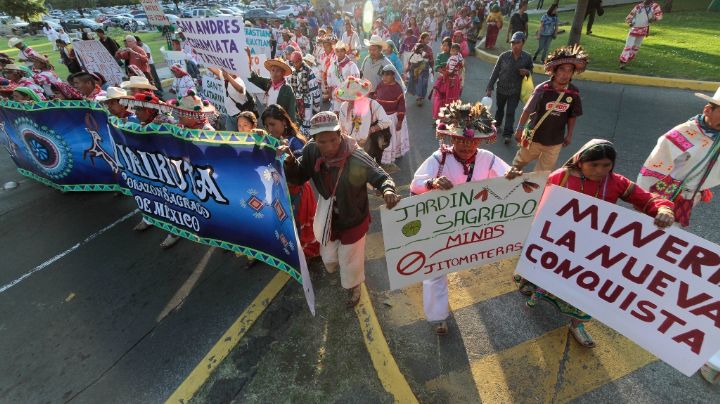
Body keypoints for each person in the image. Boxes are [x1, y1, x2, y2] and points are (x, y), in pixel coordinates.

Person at [510, 139, 675, 347]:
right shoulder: (560, 178)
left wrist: (664, 210)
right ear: (580, 162)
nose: (600, 171)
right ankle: (533, 284)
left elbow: (647, 199)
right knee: (547, 274)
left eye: (606, 165)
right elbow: (534, 202)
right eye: (594, 165)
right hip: (559, 243)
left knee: (589, 291)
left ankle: (578, 324)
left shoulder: (616, 182)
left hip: (593, 251)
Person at [282, 111, 400, 307]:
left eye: (333, 140)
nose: (328, 147)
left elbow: (380, 175)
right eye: (322, 141)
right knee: (328, 257)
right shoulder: (311, 151)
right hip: (327, 211)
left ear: (341, 134)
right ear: (314, 139)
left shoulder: (356, 155)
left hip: (354, 215)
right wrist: (290, 162)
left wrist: (388, 190)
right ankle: (345, 272)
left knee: (349, 259)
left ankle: (354, 287)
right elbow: (299, 176)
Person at [411, 101, 509, 335]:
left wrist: (515, 176)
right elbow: (415, 184)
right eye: (461, 139)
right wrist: (432, 183)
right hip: (440, 225)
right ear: (452, 139)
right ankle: (438, 316)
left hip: (472, 225)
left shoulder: (487, 158)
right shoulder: (439, 158)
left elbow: (509, 179)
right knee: (436, 267)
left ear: (480, 140)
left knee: (462, 260)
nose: (466, 145)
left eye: (472, 140)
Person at [637, 87, 720, 227]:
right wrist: (643, 198)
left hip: (689, 199)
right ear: (707, 110)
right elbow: (652, 167)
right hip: (661, 197)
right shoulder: (683, 133)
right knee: (643, 231)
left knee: (666, 238)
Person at [511, 46, 587, 173]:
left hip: (555, 142)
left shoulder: (574, 92)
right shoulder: (542, 89)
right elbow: (527, 110)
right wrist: (519, 129)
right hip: (532, 136)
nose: (565, 74)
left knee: (542, 174)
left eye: (569, 71)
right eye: (562, 70)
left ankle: (534, 192)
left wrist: (569, 134)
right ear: (555, 71)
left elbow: (572, 115)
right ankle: (507, 184)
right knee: (518, 163)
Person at [262, 104, 320, 260]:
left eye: (273, 124)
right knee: (290, 226)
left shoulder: (296, 143)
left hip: (298, 193)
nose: (270, 129)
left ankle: (309, 255)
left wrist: (288, 157)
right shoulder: (271, 142)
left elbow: (301, 170)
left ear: (284, 122)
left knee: (302, 226)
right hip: (282, 192)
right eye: (267, 125)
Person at [486, 32, 533, 144]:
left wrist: (526, 72)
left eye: (517, 43)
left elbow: (531, 71)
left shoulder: (527, 58)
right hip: (501, 88)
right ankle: (497, 123)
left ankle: (508, 134)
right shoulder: (504, 56)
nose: (514, 45)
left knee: (511, 112)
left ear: (523, 43)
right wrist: (489, 87)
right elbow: (496, 72)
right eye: (513, 43)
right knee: (500, 108)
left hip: (515, 90)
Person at [337, 76, 392, 165]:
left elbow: (386, 121)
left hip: (366, 145)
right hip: (349, 146)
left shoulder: (372, 104)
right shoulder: (344, 106)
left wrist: (371, 129)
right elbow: (341, 125)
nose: (350, 101)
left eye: (353, 98)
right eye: (348, 97)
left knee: (364, 169)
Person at [373, 65, 408, 169]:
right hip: (380, 117)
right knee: (381, 137)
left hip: (392, 118)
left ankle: (392, 156)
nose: (384, 77)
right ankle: (382, 156)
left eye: (387, 75)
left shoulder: (398, 89)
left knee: (391, 137)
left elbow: (401, 106)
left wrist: (400, 121)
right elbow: (375, 98)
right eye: (383, 75)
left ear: (393, 75)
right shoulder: (380, 85)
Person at [247, 54, 297, 123]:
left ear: (283, 73)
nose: (274, 73)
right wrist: (249, 59)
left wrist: (291, 127)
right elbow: (253, 78)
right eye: (273, 70)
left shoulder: (287, 89)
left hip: (281, 123)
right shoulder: (268, 83)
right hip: (268, 121)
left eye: (278, 71)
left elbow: (292, 111)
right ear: (270, 72)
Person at [207, 67, 256, 132]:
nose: (223, 71)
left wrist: (228, 76)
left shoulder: (239, 80)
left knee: (243, 138)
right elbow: (210, 67)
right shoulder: (224, 77)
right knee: (231, 138)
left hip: (241, 117)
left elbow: (240, 89)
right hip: (230, 116)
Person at [619, 0, 663, 69]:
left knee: (636, 47)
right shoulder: (638, 6)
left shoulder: (655, 6)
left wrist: (654, 18)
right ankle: (623, 61)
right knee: (628, 45)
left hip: (643, 30)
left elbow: (659, 15)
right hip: (634, 29)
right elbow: (629, 17)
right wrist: (629, 22)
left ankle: (628, 58)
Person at [287, 51, 322, 136]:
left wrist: (316, 104)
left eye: (296, 62)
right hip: (297, 100)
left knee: (307, 120)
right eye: (293, 62)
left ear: (300, 61)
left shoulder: (309, 72)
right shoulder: (293, 72)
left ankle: (307, 139)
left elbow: (314, 89)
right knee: (298, 119)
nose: (295, 64)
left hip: (307, 100)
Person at [326, 41, 360, 113]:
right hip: (336, 94)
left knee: (347, 113)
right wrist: (329, 90)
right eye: (337, 51)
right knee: (337, 113)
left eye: (342, 51)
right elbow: (329, 77)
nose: (339, 53)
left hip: (347, 95)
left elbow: (356, 79)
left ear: (345, 52)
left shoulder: (351, 65)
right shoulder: (333, 65)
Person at [406, 33, 433, 107]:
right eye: (427, 38)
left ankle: (421, 96)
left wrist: (432, 68)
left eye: (429, 38)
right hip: (416, 68)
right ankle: (419, 98)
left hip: (425, 68)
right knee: (418, 82)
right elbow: (411, 55)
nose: (428, 40)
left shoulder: (429, 48)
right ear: (422, 39)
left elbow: (431, 59)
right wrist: (408, 65)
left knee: (424, 83)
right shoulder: (416, 46)